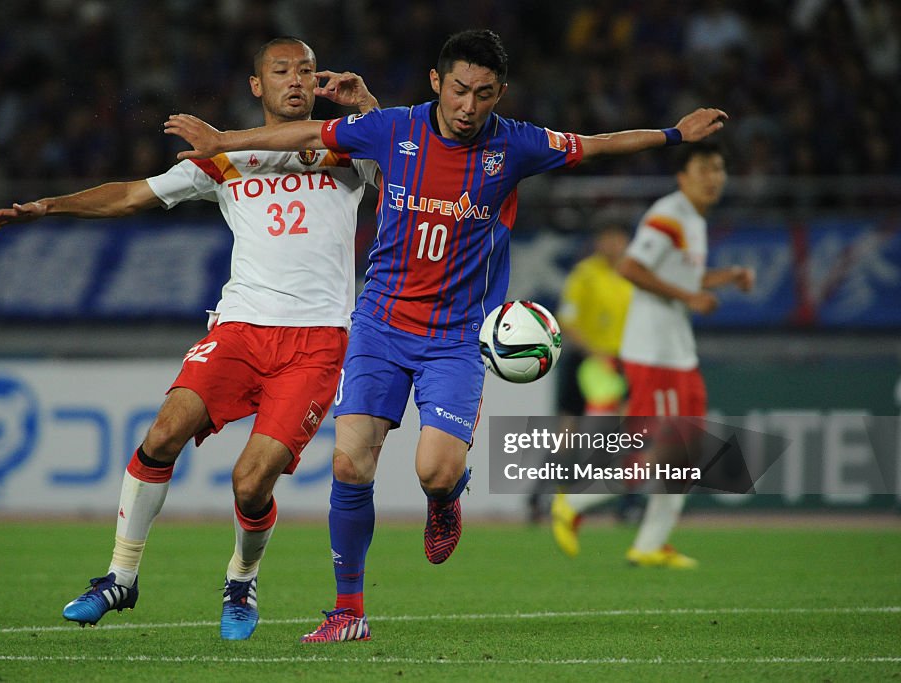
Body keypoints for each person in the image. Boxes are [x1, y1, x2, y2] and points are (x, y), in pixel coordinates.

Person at [164, 29, 728, 642]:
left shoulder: (514, 145)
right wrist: (224, 141)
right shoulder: (394, 128)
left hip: (456, 336)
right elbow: (302, 134)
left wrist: (674, 134)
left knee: (435, 470)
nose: (468, 106)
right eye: (459, 90)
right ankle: (348, 611)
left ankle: (445, 498)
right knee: (352, 465)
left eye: (483, 94)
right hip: (379, 324)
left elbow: (597, 144)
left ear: (498, 94)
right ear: (437, 83)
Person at [0, 37, 380, 640]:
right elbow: (133, 194)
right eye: (280, 71)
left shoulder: (346, 148)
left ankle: (241, 582)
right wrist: (49, 205)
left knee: (251, 482)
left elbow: (412, 163)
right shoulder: (221, 158)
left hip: (317, 342)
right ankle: (120, 576)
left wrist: (369, 106)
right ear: (257, 86)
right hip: (240, 329)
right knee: (162, 434)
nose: (295, 80)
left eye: (305, 70)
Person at [551, 140, 755, 568]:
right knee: (651, 448)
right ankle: (575, 502)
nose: (714, 177)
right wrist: (690, 297)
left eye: (719, 169)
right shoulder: (668, 215)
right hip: (652, 351)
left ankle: (650, 542)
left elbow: (684, 274)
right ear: (682, 176)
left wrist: (727, 277)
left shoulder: (693, 221)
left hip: (676, 350)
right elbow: (631, 268)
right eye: (704, 168)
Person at [525, 222, 634, 524]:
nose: (614, 244)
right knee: (567, 436)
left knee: (625, 434)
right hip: (586, 361)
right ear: (599, 241)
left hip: (623, 363)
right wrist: (595, 353)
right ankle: (540, 496)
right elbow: (568, 321)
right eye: (608, 237)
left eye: (619, 238)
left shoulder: (634, 274)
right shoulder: (585, 274)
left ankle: (628, 503)